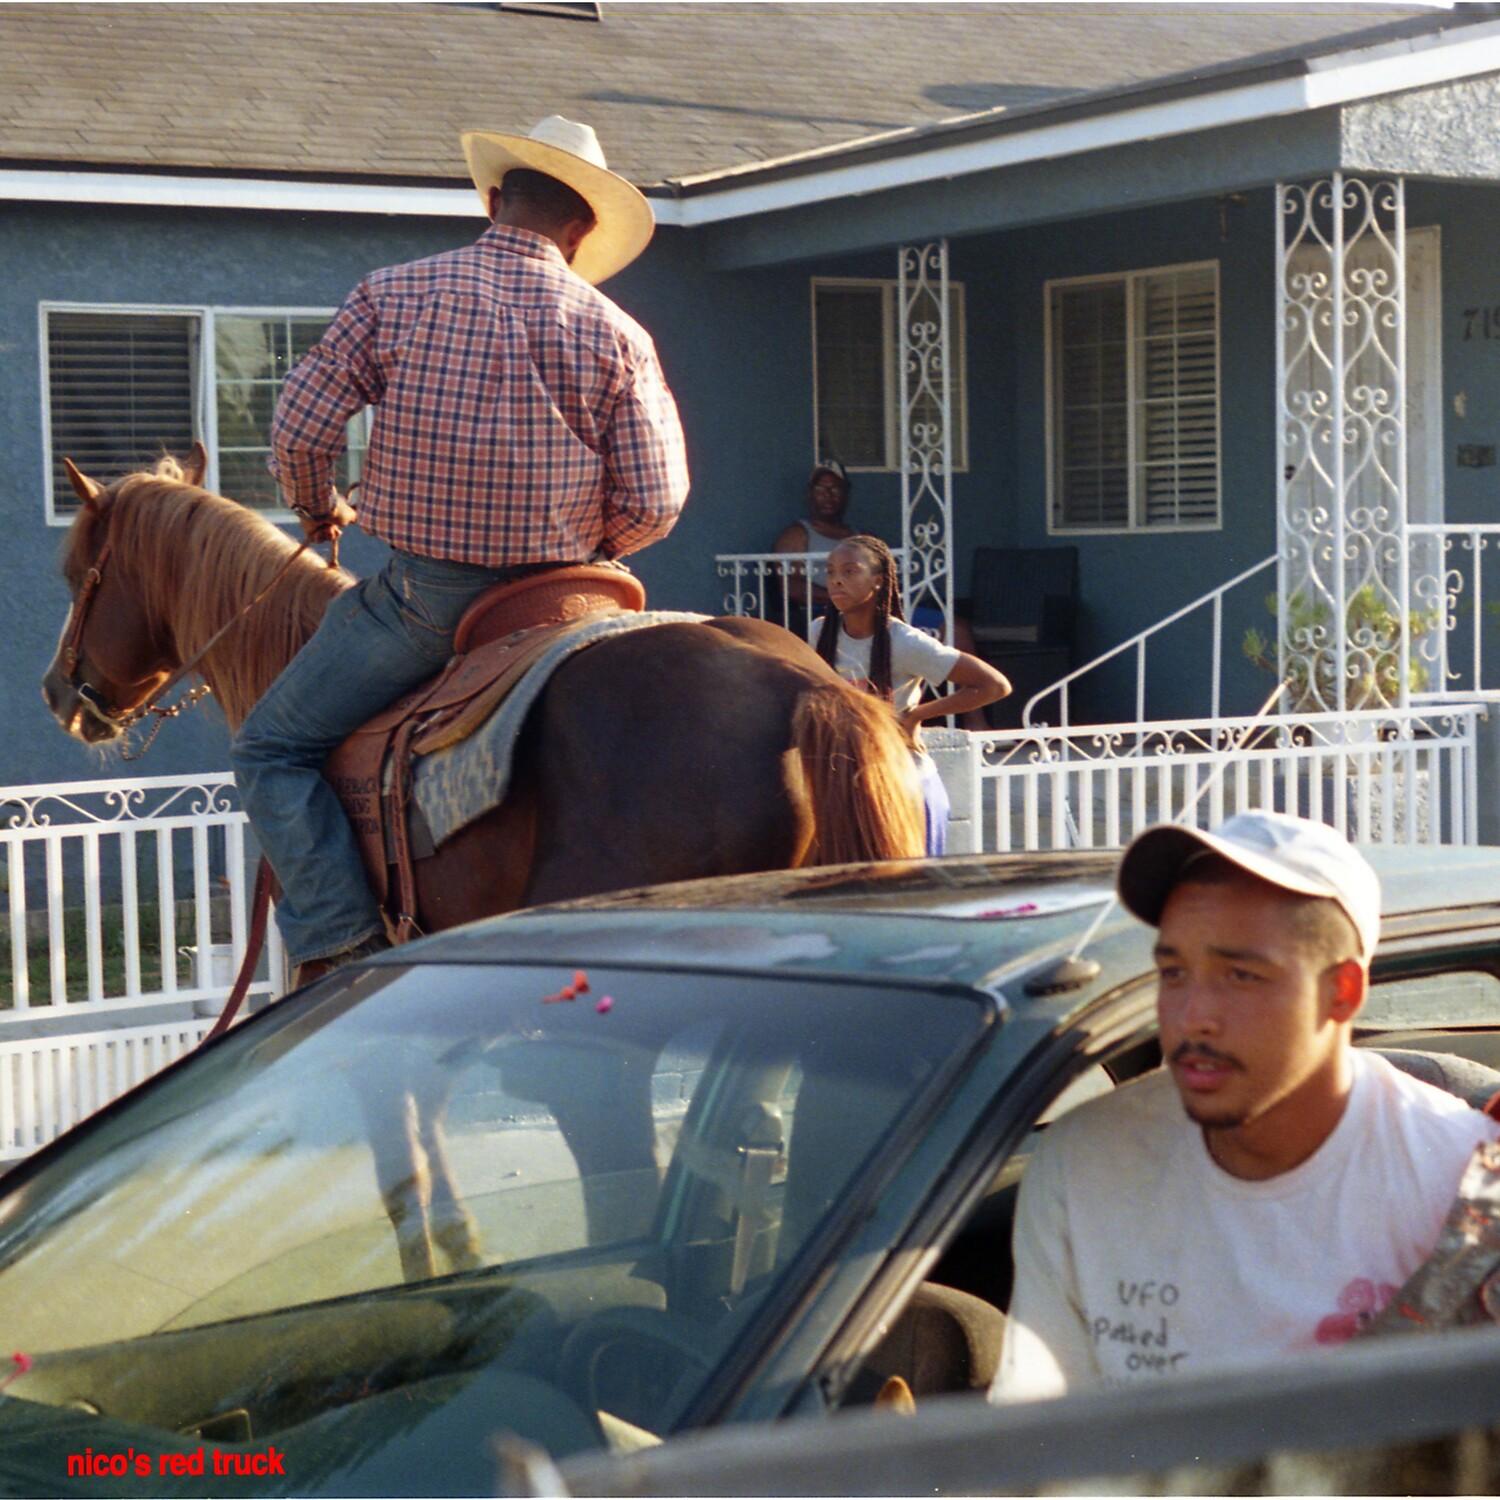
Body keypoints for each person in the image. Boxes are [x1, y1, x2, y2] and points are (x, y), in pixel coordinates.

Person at [231, 115, 689, 985]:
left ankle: (344, 941)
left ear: (493, 200)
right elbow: (657, 502)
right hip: (575, 599)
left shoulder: (392, 294)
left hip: (432, 603)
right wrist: (590, 542)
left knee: (270, 750)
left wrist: (319, 507)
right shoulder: (618, 332)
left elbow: (297, 430)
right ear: (581, 230)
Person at [989, 811, 1500, 1403]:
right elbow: (1042, 1433)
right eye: (1174, 972)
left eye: (1240, 975)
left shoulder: (1465, 1188)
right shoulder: (1085, 1164)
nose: (1192, 1016)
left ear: (1341, 992)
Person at [814, 535, 1010, 855]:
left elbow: (994, 685)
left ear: (878, 581)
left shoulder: (904, 641)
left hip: (905, 787)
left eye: (850, 571)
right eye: (831, 571)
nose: (836, 580)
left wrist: (917, 716)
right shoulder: (818, 632)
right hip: (841, 788)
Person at [771, 460, 855, 618]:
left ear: (845, 493)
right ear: (810, 494)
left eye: (835, 489)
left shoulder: (859, 537)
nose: (828, 495)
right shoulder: (796, 535)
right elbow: (792, 587)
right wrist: (841, 599)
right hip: (819, 613)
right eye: (820, 489)